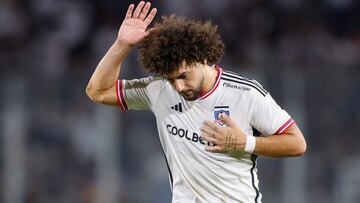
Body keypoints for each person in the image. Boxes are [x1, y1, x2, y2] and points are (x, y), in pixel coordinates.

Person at [86, 1, 307, 202]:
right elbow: (97, 91)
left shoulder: (245, 93)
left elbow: (297, 143)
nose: (179, 87)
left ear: (202, 58)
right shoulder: (159, 90)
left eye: (183, 76)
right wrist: (122, 45)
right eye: (171, 79)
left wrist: (245, 143)